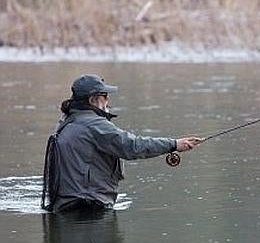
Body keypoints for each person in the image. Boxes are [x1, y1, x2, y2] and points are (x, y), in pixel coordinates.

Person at [42, 73, 201, 213]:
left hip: (64, 205)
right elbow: (132, 146)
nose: (108, 99)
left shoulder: (67, 122)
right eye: (104, 95)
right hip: (88, 206)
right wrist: (174, 144)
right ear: (92, 100)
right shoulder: (94, 125)